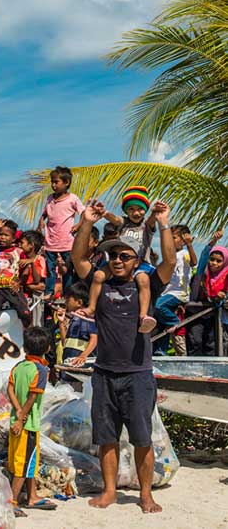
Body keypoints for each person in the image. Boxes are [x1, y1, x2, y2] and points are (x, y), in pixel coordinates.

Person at [71, 198, 174, 514]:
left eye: (124, 256)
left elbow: (168, 262)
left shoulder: (148, 284)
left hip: (138, 375)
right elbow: (77, 258)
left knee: (142, 440)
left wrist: (165, 223)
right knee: (106, 439)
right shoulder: (99, 283)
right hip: (103, 373)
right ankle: (110, 491)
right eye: (112, 255)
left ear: (136, 260)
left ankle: (145, 495)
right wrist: (87, 221)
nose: (116, 260)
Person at [7, 326, 55, 517]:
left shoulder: (18, 367)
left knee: (30, 463)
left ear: (24, 348)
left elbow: (9, 389)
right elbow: (32, 398)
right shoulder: (41, 370)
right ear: (48, 348)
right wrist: (22, 417)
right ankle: (12, 501)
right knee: (23, 465)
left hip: (17, 421)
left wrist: (17, 412)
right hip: (27, 425)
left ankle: (32, 496)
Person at [95, 186, 157, 332]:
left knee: (143, 280)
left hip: (140, 264)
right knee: (98, 275)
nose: (136, 213)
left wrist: (155, 212)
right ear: (126, 211)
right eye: (131, 209)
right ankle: (92, 307)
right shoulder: (123, 222)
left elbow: (152, 220)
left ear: (145, 210)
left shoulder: (146, 225)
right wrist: (104, 213)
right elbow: (114, 219)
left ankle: (143, 315)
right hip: (120, 262)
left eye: (140, 209)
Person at [0, 219, 32, 344]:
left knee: (24, 311)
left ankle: (28, 335)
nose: (2, 237)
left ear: (13, 238)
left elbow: (25, 270)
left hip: (14, 288)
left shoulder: (19, 252)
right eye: (0, 234)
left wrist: (19, 282)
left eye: (5, 235)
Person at [38, 166, 84, 296]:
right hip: (50, 241)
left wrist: (78, 225)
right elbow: (45, 213)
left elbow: (84, 213)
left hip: (66, 241)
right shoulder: (50, 199)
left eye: (56, 182)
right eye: (52, 182)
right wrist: (41, 221)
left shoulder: (72, 199)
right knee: (50, 269)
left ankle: (67, 293)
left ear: (66, 183)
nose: (53, 185)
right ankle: (49, 291)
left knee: (67, 269)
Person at [154, 225, 197, 355]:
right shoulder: (170, 256)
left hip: (178, 293)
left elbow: (194, 262)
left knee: (158, 306)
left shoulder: (184, 254)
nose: (170, 240)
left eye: (173, 237)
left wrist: (189, 245)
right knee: (162, 324)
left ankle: (175, 322)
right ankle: (161, 351)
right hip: (167, 293)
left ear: (183, 240)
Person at [186, 231, 228, 356]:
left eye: (219, 261)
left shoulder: (225, 277)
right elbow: (204, 254)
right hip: (196, 312)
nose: (214, 263)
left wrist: (220, 296)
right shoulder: (202, 273)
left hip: (214, 316)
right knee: (195, 341)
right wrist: (213, 240)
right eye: (212, 259)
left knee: (211, 344)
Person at [54, 282, 97, 375]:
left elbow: (94, 338)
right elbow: (65, 342)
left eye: (68, 299)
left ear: (79, 302)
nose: (65, 302)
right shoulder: (74, 319)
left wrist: (83, 356)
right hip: (69, 367)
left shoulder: (87, 318)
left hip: (80, 370)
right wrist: (61, 323)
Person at [20, 230, 46, 298]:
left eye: (22, 243)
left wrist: (32, 264)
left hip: (35, 296)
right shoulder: (20, 257)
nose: (19, 245)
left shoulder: (40, 260)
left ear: (31, 245)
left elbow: (37, 281)